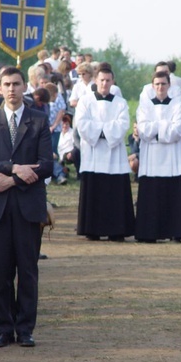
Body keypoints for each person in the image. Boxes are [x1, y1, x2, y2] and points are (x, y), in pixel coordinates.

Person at [0, 67, 53, 349]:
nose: (11, 89)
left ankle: (25, 329)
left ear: (24, 87)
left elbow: (46, 165)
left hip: (28, 206)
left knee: (28, 271)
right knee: (0, 271)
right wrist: (13, 168)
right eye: (6, 84)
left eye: (16, 84)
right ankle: (4, 328)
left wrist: (13, 180)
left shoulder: (39, 120)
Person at [75, 67, 135, 241]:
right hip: (92, 154)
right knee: (94, 192)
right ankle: (92, 230)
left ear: (112, 82)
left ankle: (117, 230)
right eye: (101, 80)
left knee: (114, 193)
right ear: (96, 81)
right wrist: (104, 130)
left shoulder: (120, 103)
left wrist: (99, 130)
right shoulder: (85, 101)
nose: (105, 83)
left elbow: (123, 125)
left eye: (108, 80)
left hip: (114, 156)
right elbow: (81, 123)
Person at [134, 71, 181, 243]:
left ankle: (175, 232)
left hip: (171, 157)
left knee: (172, 194)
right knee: (151, 194)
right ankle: (148, 233)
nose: (160, 87)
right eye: (157, 84)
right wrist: (164, 126)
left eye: (163, 84)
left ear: (169, 86)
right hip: (151, 158)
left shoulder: (177, 105)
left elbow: (178, 130)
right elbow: (143, 129)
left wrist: (156, 130)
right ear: (152, 86)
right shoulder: (144, 106)